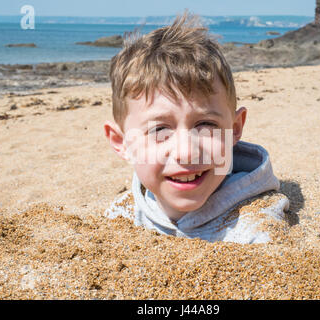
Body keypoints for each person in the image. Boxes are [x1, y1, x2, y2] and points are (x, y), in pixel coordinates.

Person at [103, 12, 290, 244]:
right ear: (122, 142)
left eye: (205, 125)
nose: (186, 152)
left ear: (234, 128)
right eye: (160, 130)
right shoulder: (121, 215)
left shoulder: (254, 226)